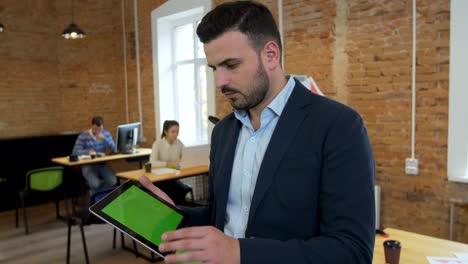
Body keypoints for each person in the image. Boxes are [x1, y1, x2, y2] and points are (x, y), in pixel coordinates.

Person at [140, 1, 375, 263]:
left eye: (231, 65)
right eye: (214, 68)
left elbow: (352, 251)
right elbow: (224, 218)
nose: (220, 82)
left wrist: (239, 253)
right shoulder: (223, 133)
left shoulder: (338, 126)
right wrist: (178, 216)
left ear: (271, 55)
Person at [150, 120, 192, 204]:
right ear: (165, 132)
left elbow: (186, 156)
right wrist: (168, 163)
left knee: (180, 190)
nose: (175, 134)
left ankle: (180, 209)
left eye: (177, 132)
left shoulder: (179, 143)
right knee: (176, 190)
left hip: (173, 177)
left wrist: (182, 160)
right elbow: (151, 163)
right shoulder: (157, 144)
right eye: (173, 132)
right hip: (160, 179)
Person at [72, 116, 117, 194]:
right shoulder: (83, 136)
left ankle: (96, 195)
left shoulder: (105, 134)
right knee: (95, 184)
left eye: (100, 129)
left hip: (101, 163)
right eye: (95, 129)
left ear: (103, 127)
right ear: (92, 126)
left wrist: (105, 139)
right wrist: (87, 152)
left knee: (113, 181)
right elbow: (75, 151)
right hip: (88, 165)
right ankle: (96, 196)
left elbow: (114, 149)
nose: (98, 132)